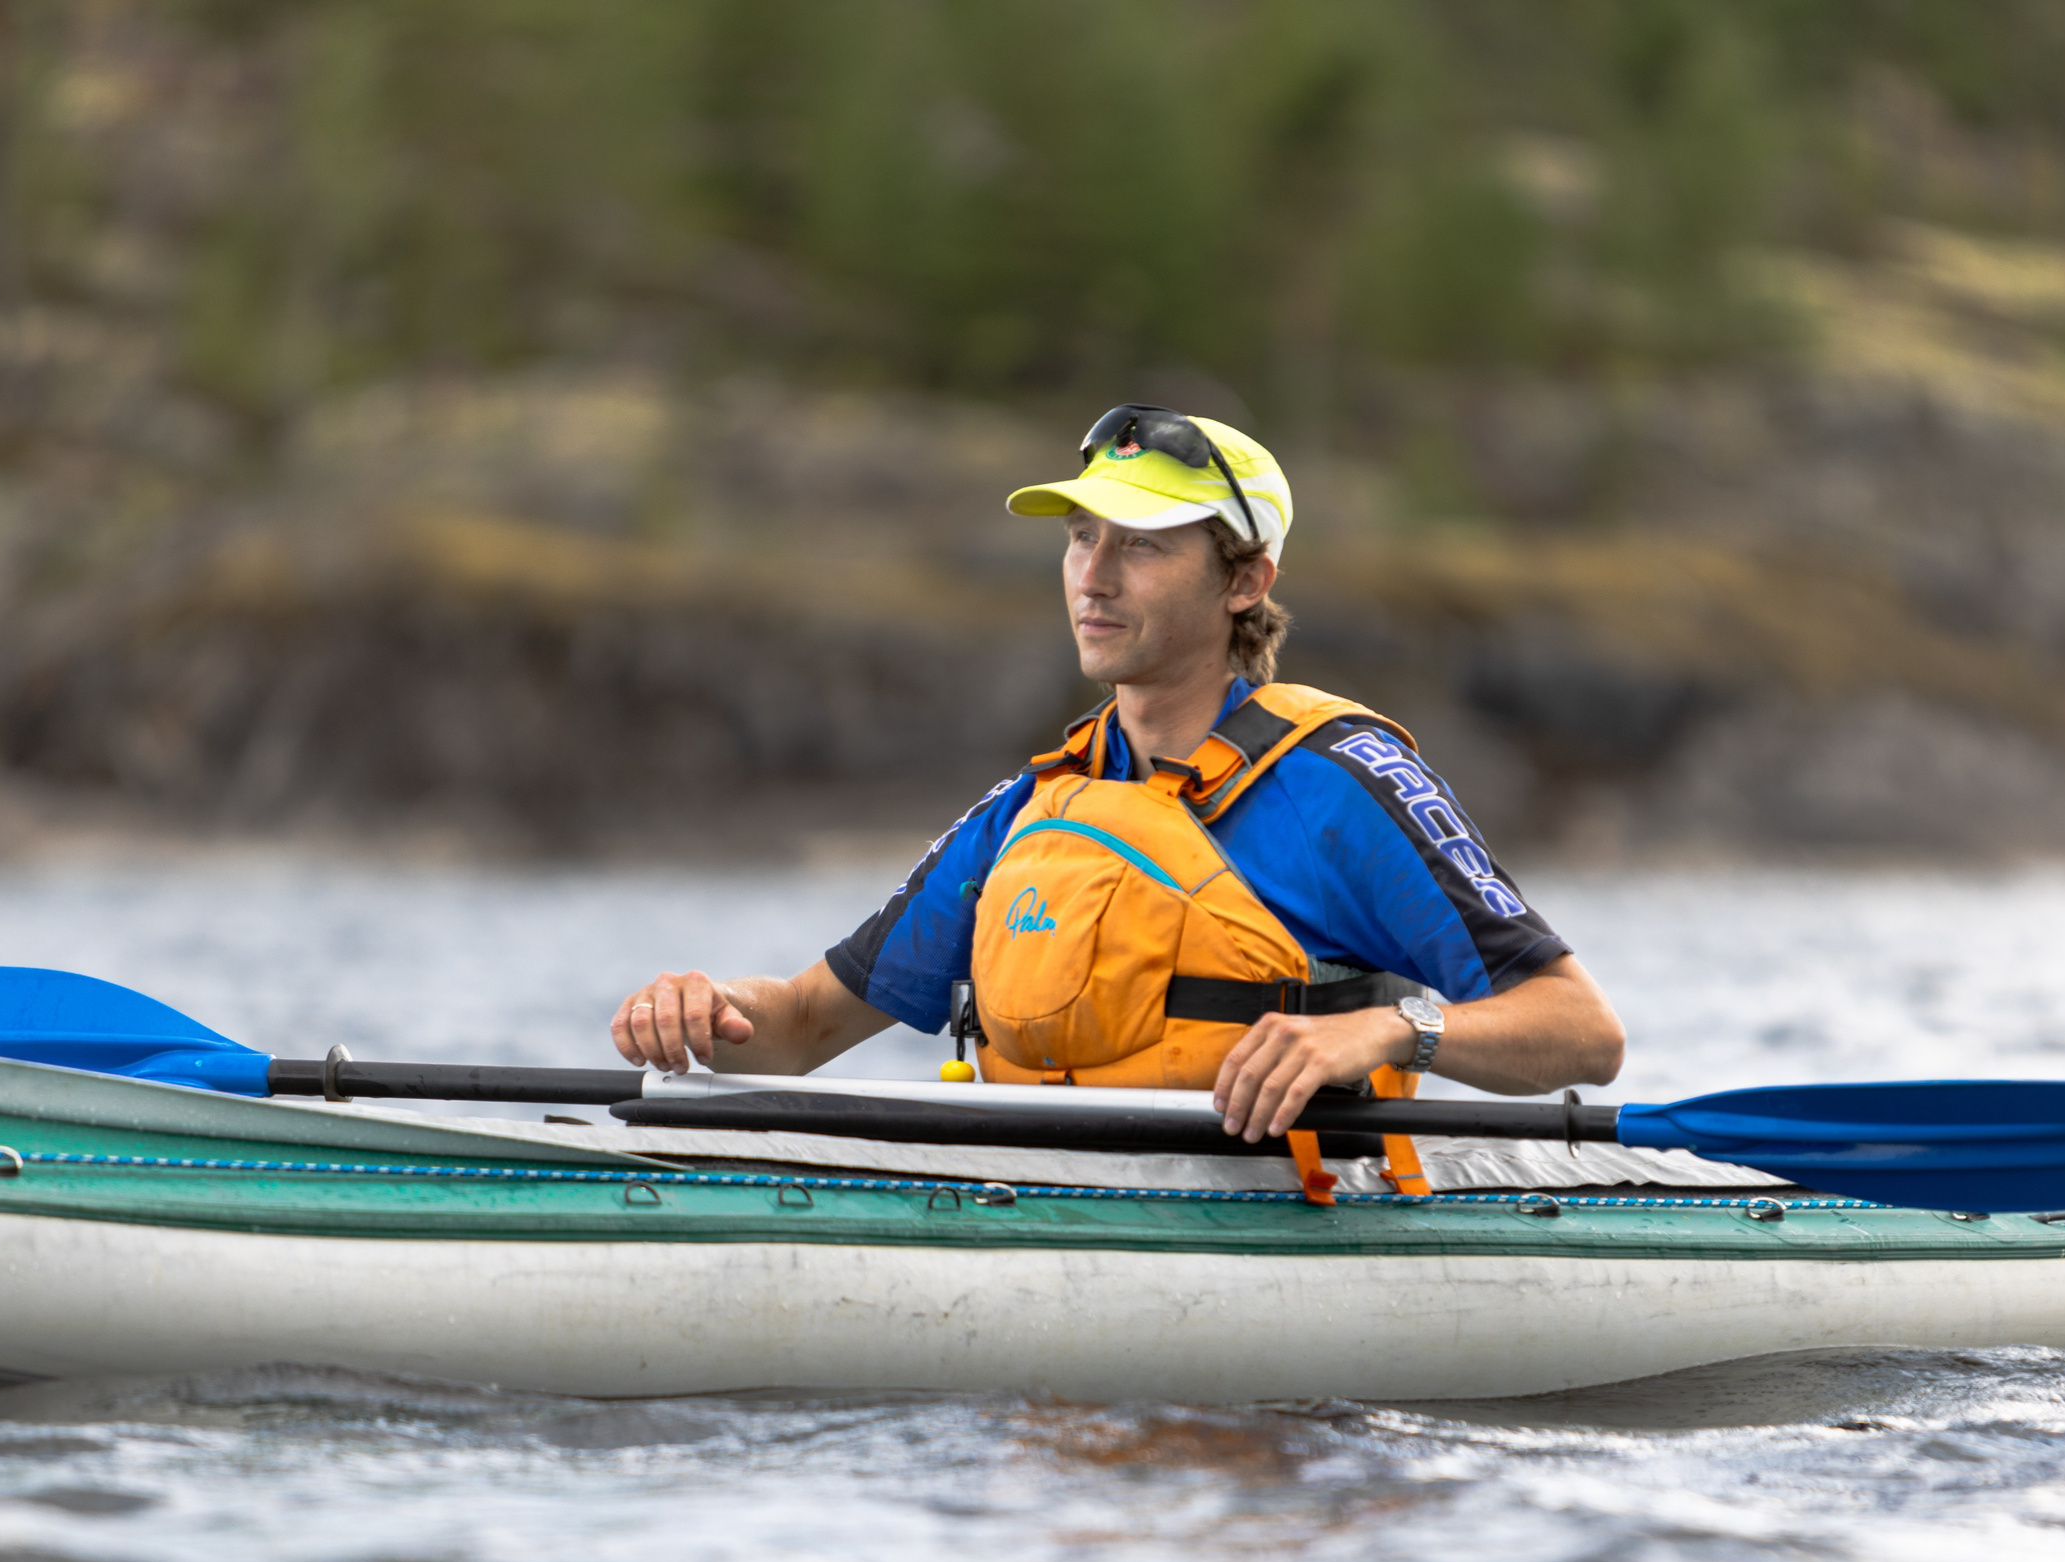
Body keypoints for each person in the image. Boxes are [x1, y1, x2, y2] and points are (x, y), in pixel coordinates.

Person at [612, 404, 1625, 1174]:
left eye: (1139, 545)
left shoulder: (1342, 785)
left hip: (1290, 1258)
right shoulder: (1031, 810)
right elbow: (798, 1027)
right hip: (1060, 1233)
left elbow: (1583, 1032)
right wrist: (703, 1007)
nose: (1092, 576)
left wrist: (1397, 1028)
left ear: (1244, 581)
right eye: (1079, 536)